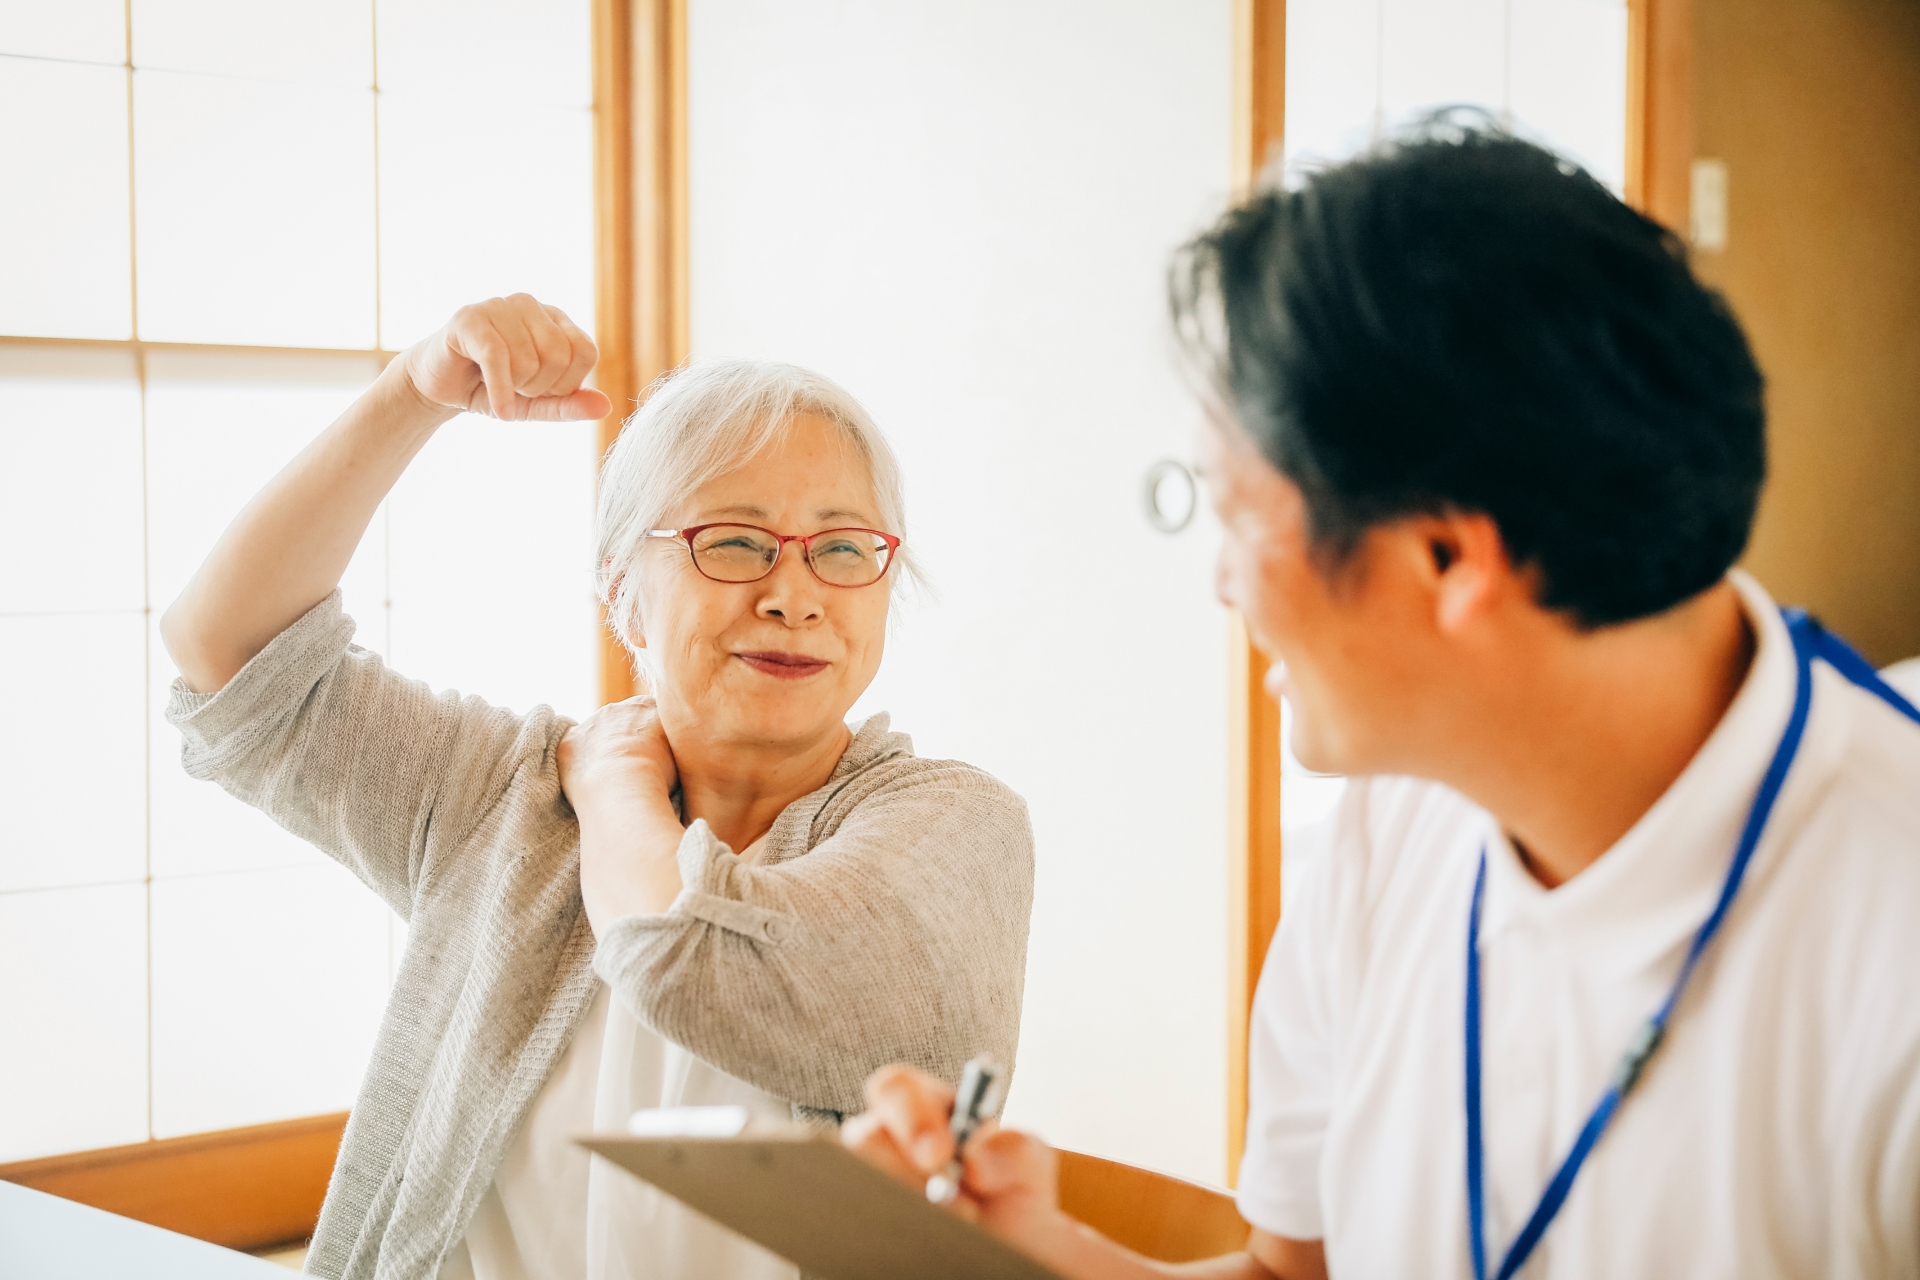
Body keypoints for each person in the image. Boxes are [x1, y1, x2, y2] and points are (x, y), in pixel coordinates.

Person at [845, 126, 1920, 1279]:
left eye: (1238, 514)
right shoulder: (1395, 816)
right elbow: (1289, 1272)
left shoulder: (1885, 957)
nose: (1221, 581)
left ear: (1449, 557)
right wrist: (1032, 1252)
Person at [158, 295, 1035, 1280]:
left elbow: (689, 955)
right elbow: (226, 655)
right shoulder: (505, 797)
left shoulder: (961, 829)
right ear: (622, 587)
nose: (795, 595)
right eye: (735, 540)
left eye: (841, 549)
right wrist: (413, 391)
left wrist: (616, 786)